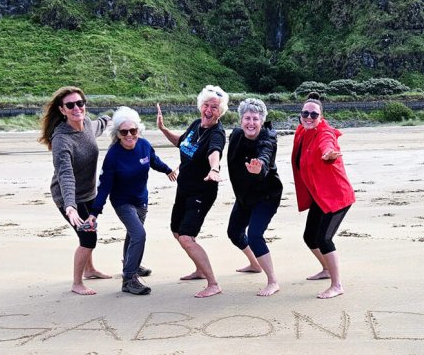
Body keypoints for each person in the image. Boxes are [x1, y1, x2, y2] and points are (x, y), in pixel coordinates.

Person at [86, 106, 177, 295]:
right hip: (122, 202)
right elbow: (104, 187)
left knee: (132, 233)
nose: (129, 135)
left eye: (133, 130)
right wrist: (94, 212)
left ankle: (131, 263)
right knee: (139, 234)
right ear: (117, 134)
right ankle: (129, 278)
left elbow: (153, 160)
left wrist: (167, 169)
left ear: (139, 130)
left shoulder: (143, 145)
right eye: (124, 131)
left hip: (141, 199)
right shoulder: (113, 156)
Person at [156, 85, 228, 298]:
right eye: (206, 105)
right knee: (177, 232)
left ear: (220, 111)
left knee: (187, 237)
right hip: (184, 189)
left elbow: (215, 152)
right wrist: (162, 129)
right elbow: (181, 143)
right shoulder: (197, 124)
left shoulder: (217, 133)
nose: (209, 109)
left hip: (202, 191)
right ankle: (199, 268)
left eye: (214, 107)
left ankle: (213, 283)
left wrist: (214, 169)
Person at [39, 86, 112, 296]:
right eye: (70, 105)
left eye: (80, 103)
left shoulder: (87, 124)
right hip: (68, 196)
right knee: (88, 239)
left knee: (91, 231)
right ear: (62, 110)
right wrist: (70, 206)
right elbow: (66, 175)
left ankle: (90, 270)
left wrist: (114, 118)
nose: (76, 108)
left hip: (89, 193)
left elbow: (100, 124)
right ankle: (77, 283)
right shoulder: (62, 140)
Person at [291, 92, 356, 299]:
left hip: (337, 196)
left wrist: (328, 155)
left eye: (314, 114)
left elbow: (327, 144)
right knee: (309, 236)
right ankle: (326, 269)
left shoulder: (324, 133)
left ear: (321, 117)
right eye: (305, 113)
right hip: (321, 196)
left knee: (324, 238)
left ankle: (337, 285)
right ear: (300, 115)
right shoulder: (302, 131)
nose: (309, 117)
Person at [226, 98, 283, 296]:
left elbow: (265, 155)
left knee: (255, 235)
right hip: (244, 195)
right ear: (241, 120)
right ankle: (254, 263)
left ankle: (273, 281)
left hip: (266, 195)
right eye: (247, 118)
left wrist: (259, 168)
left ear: (262, 121)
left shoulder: (268, 139)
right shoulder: (235, 135)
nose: (251, 123)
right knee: (234, 233)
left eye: (256, 119)